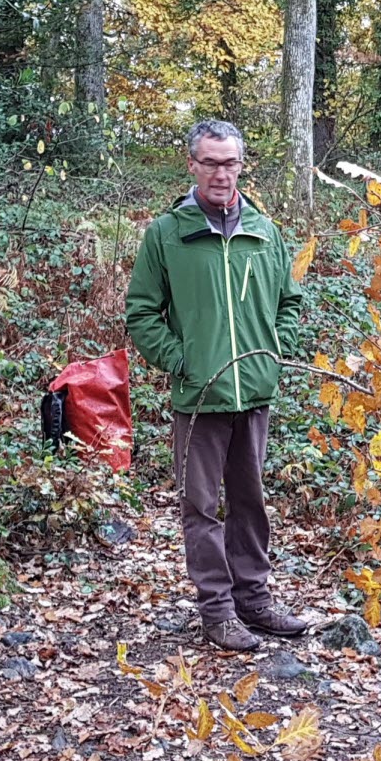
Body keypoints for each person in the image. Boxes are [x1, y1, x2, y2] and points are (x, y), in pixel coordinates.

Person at [125, 120, 307, 654]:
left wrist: (276, 351)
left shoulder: (264, 232)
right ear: (192, 165)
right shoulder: (167, 234)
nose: (220, 173)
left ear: (241, 165)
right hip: (199, 397)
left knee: (251, 500)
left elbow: (289, 302)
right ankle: (218, 611)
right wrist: (181, 362)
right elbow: (142, 313)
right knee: (201, 507)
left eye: (228, 162)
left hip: (254, 392)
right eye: (209, 162)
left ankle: (255, 599)